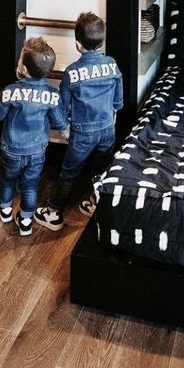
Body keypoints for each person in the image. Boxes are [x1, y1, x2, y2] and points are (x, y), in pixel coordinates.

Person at [35, 12, 122, 232]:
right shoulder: (112, 65)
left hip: (82, 133)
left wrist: (65, 130)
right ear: (102, 41)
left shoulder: (72, 73)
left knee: (69, 173)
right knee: (102, 169)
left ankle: (54, 212)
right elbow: (118, 100)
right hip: (107, 128)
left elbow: (61, 107)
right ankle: (95, 203)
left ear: (77, 44)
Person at [0, 36, 66, 236]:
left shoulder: (10, 91)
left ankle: (5, 209)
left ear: (23, 69)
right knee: (30, 185)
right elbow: (59, 122)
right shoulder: (53, 95)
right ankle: (25, 221)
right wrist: (68, 132)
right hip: (36, 151)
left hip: (12, 149)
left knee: (7, 179)